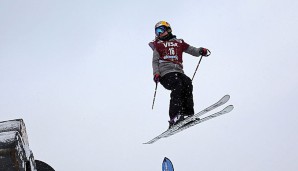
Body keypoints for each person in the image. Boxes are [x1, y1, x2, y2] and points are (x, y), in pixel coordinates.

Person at [149, 21, 210, 128]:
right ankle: (174, 117)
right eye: (157, 32)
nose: (159, 34)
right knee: (177, 84)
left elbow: (192, 50)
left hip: (178, 72)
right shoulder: (158, 45)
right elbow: (155, 61)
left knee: (187, 83)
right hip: (165, 73)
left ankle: (187, 114)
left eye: (161, 30)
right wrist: (156, 73)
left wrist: (201, 51)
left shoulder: (179, 43)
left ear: (168, 29)